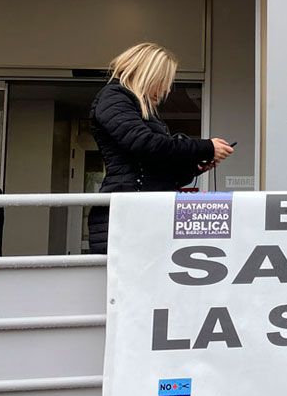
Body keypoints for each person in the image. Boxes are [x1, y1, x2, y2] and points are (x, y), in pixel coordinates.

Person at [87, 43, 234, 254]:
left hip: (141, 212)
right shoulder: (114, 97)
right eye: (164, 82)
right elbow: (145, 145)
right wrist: (205, 147)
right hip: (130, 216)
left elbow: (153, 164)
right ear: (150, 74)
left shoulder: (136, 106)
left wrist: (194, 168)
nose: (166, 89)